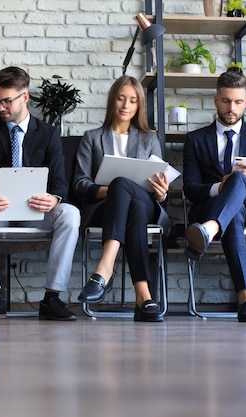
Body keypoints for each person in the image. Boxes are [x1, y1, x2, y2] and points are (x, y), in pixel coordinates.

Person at [0, 66, 81, 321]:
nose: (0, 107)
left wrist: (54, 198)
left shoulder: (48, 134)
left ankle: (52, 298)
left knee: (70, 214)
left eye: (6, 101)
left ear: (24, 97)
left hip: (37, 211)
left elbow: (60, 181)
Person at [183, 69, 246, 322]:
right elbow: (190, 188)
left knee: (240, 178)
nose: (231, 108)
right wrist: (219, 188)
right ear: (216, 100)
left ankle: (209, 229)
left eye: (237, 102)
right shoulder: (195, 139)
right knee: (232, 213)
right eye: (225, 101)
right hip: (211, 206)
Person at [73, 75, 169, 322]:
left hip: (146, 203)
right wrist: (116, 190)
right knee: (129, 201)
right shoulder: (92, 138)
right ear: (112, 101)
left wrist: (161, 191)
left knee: (129, 193)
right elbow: (80, 184)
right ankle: (144, 297)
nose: (126, 105)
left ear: (139, 106)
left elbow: (158, 184)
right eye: (121, 98)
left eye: (133, 101)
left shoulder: (150, 139)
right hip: (106, 209)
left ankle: (105, 267)